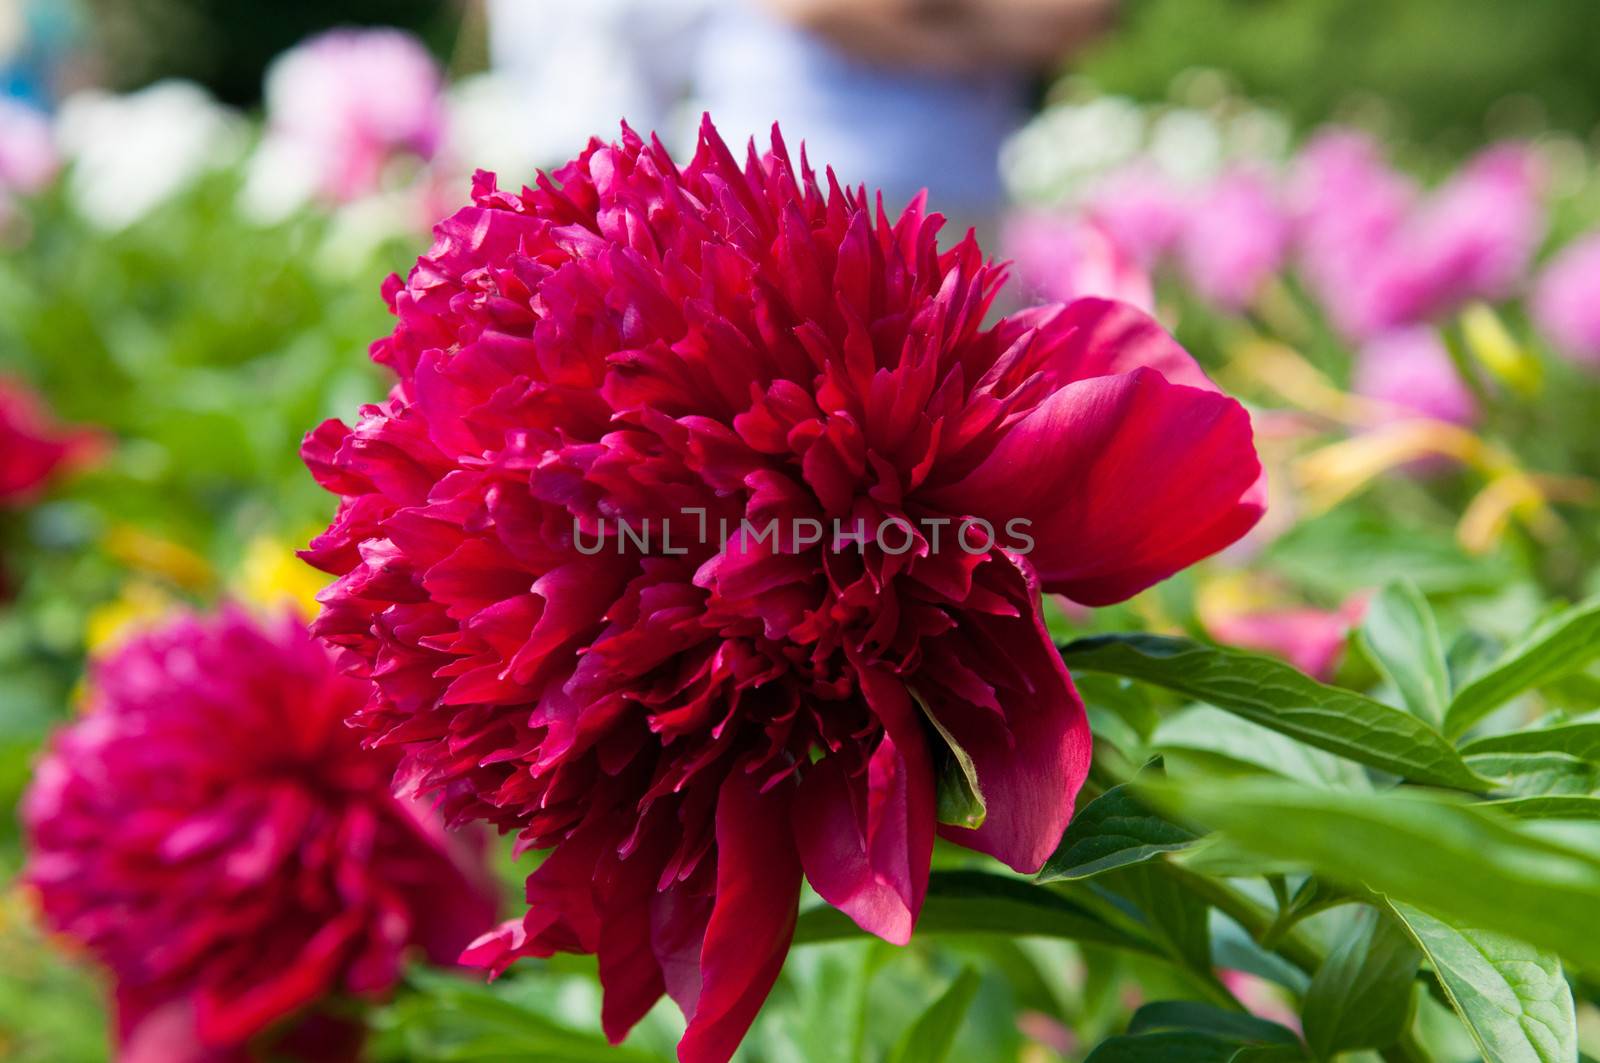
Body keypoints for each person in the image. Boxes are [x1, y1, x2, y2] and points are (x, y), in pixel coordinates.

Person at [488, 0, 1115, 231]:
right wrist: (982, 31)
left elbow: (1077, 17)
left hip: (961, 205)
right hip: (785, 196)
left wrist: (922, 21)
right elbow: (814, 9)